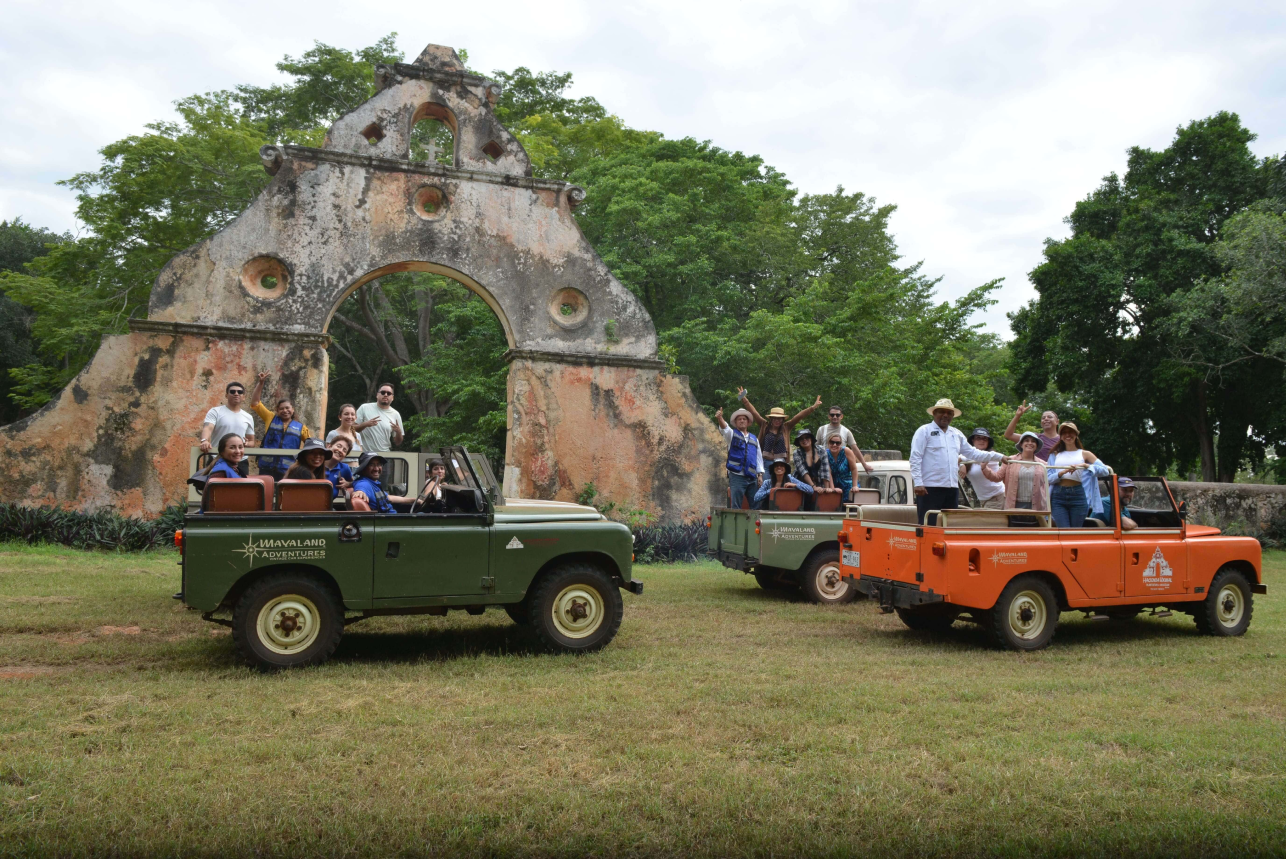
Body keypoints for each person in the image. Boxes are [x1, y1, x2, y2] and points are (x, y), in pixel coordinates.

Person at [910, 398, 1008, 525]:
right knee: (929, 524)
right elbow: (915, 457)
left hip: (951, 487)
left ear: (952, 416)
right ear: (934, 413)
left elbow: (973, 453)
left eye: (949, 413)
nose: (945, 415)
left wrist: (1000, 457)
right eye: (941, 412)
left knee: (950, 524)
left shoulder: (956, 434)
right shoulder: (924, 431)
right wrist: (918, 482)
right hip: (930, 487)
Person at [249, 372, 312, 480]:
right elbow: (255, 403)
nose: (285, 411)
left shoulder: (301, 428)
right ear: (277, 411)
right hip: (266, 467)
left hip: (287, 470)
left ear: (293, 410)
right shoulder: (270, 417)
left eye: (287, 408)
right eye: (281, 408)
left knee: (283, 495)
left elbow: (310, 445)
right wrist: (261, 383)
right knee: (265, 494)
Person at [1045, 422, 1108, 528]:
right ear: (1060, 436)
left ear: (1076, 434)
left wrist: (1086, 466)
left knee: (1075, 531)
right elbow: (1047, 478)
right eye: (1064, 432)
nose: (1067, 435)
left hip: (1078, 494)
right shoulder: (1054, 454)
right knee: (1064, 530)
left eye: (1070, 432)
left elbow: (1105, 470)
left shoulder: (1085, 454)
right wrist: (1061, 473)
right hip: (1058, 495)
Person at [736, 388, 822, 459]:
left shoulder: (786, 427)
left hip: (781, 463)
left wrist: (813, 407)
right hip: (765, 461)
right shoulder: (764, 425)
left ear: (783, 420)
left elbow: (799, 416)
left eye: (780, 419)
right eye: (775, 419)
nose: (777, 421)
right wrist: (744, 399)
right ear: (771, 419)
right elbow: (754, 412)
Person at [199, 382, 256, 477]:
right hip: (217, 458)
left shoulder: (248, 417)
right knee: (213, 489)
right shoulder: (215, 411)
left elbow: (251, 442)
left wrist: (245, 444)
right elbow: (208, 427)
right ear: (226, 395)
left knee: (243, 490)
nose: (236, 394)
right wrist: (204, 440)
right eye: (232, 391)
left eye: (240, 392)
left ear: (243, 397)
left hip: (240, 461)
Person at [715, 406, 764, 509]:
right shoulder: (732, 435)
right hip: (737, 475)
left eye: (744, 419)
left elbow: (758, 458)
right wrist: (720, 418)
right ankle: (735, 524)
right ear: (736, 422)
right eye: (739, 419)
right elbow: (725, 429)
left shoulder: (754, 439)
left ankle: (754, 525)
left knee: (756, 504)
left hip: (751, 476)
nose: (742, 421)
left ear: (748, 422)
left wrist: (760, 475)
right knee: (736, 505)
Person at [998, 431, 1050, 512]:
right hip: (1014, 504)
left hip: (1036, 505)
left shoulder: (1043, 464)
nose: (1030, 443)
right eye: (1026, 440)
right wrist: (984, 467)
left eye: (1033, 441)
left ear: (1036, 446)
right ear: (1021, 444)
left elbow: (1048, 483)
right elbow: (997, 477)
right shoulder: (1010, 460)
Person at [351, 452, 416, 514]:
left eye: (379, 464)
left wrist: (414, 500)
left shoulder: (373, 483)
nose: (376, 469)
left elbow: (388, 497)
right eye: (371, 465)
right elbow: (361, 489)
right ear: (363, 468)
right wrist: (359, 492)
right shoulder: (364, 483)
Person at [959, 428, 1006, 510]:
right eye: (978, 438)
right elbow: (955, 460)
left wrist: (962, 461)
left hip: (996, 497)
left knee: (988, 522)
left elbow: (979, 457)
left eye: (984, 438)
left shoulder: (991, 456)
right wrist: (961, 465)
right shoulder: (968, 459)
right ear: (973, 440)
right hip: (982, 499)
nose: (982, 441)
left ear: (988, 441)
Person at [816, 405, 874, 470]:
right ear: (829, 416)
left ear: (841, 416)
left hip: (841, 467)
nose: (835, 417)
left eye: (837, 415)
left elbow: (854, 448)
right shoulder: (821, 430)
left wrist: (864, 465)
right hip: (825, 466)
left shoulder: (846, 431)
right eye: (832, 415)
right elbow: (816, 449)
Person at [792, 428, 836, 511]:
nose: (804, 440)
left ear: (811, 439)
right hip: (801, 484)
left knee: (819, 505)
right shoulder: (797, 453)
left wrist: (827, 488)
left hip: (819, 482)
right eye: (801, 439)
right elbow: (803, 472)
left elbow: (825, 469)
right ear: (798, 442)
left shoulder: (821, 450)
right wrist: (813, 487)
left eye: (807, 438)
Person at [355, 385, 404, 453]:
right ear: (377, 395)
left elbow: (398, 442)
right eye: (383, 392)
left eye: (389, 393)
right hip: (365, 454)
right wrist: (365, 424)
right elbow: (351, 429)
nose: (385, 395)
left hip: (385, 456)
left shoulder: (396, 414)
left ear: (392, 397)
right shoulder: (364, 408)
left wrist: (398, 432)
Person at [825, 433, 859, 504]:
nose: (834, 445)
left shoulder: (846, 451)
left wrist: (855, 485)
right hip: (835, 485)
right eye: (832, 442)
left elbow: (854, 469)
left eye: (837, 443)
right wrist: (833, 488)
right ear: (828, 443)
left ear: (841, 444)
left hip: (848, 484)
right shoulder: (825, 454)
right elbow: (828, 472)